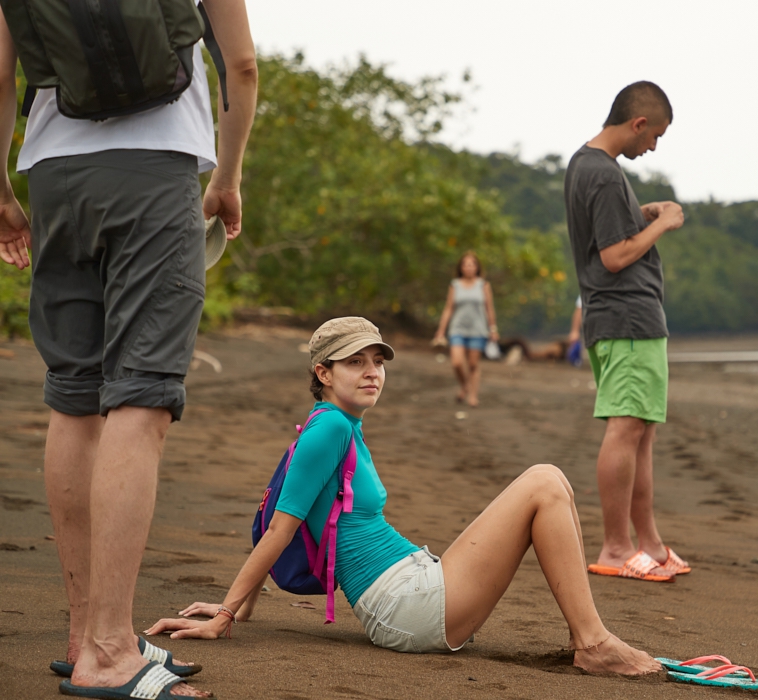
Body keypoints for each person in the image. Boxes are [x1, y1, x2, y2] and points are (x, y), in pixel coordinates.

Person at [144, 316, 663, 676]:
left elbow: (283, 516)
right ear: (323, 374)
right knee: (545, 480)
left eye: (378, 360)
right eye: (356, 362)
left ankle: (593, 638)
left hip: (414, 586)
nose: (373, 371)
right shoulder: (328, 431)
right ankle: (592, 642)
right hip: (403, 606)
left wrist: (241, 606)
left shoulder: (340, 426)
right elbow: (279, 527)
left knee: (555, 485)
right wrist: (227, 616)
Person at [0, 2, 258, 698]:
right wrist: (226, 178)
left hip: (55, 173)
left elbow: (2, 72)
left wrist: (0, 188)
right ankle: (111, 652)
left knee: (74, 395)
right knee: (141, 397)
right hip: (156, 165)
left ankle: (86, 633)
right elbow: (241, 67)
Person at [563, 81, 689, 582]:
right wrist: (665, 223)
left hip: (617, 317)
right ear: (638, 123)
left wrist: (643, 214)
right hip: (626, 316)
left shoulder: (585, 164)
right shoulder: (605, 173)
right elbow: (614, 257)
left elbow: (607, 232)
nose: (652, 147)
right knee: (627, 427)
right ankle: (617, 548)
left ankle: (650, 544)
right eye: (654, 135)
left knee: (642, 433)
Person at [432, 251, 499, 407]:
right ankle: (465, 385)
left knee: (474, 365)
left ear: (477, 267)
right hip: (457, 328)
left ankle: (473, 395)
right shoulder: (454, 285)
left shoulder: (484, 285)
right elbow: (449, 308)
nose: (468, 267)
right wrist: (441, 330)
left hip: (478, 330)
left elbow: (489, 308)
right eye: (465, 264)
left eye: (472, 264)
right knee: (456, 362)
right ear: (461, 267)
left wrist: (493, 329)